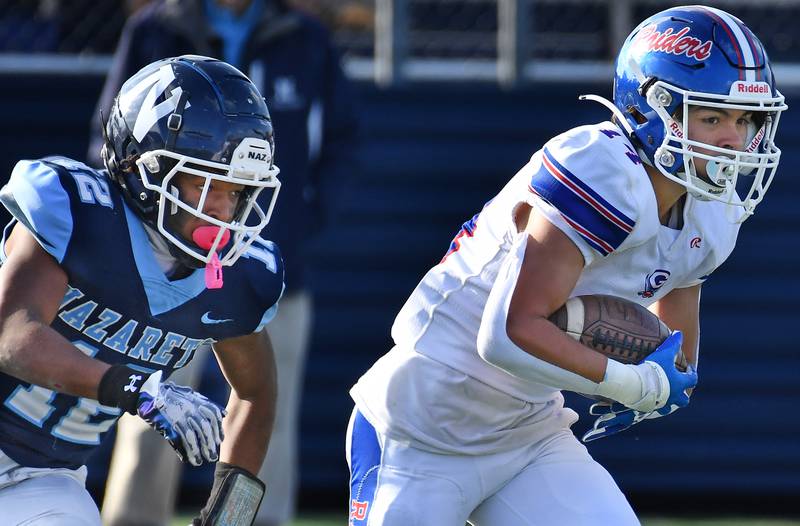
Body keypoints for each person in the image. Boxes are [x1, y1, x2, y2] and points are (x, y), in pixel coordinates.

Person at [346, 6, 787, 526]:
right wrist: (629, 383)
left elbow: (675, 347)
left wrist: (665, 380)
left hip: (528, 432)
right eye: (712, 117)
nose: (733, 141)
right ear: (653, 110)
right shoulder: (601, 168)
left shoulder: (713, 212)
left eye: (745, 120)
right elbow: (508, 334)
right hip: (421, 425)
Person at [89, 1, 359, 525]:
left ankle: (251, 520)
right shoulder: (156, 28)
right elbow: (112, 132)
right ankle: (132, 520)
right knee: (152, 403)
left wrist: (296, 228)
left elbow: (343, 140)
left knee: (266, 408)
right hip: (161, 262)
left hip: (263, 257)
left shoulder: (304, 37)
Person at [0, 54, 283, 525]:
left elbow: (255, 391)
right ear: (142, 169)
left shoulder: (237, 277)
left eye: (233, 192)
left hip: (42, 477)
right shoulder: (80, 213)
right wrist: (140, 391)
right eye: (202, 184)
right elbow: (11, 335)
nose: (222, 210)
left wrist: (230, 513)